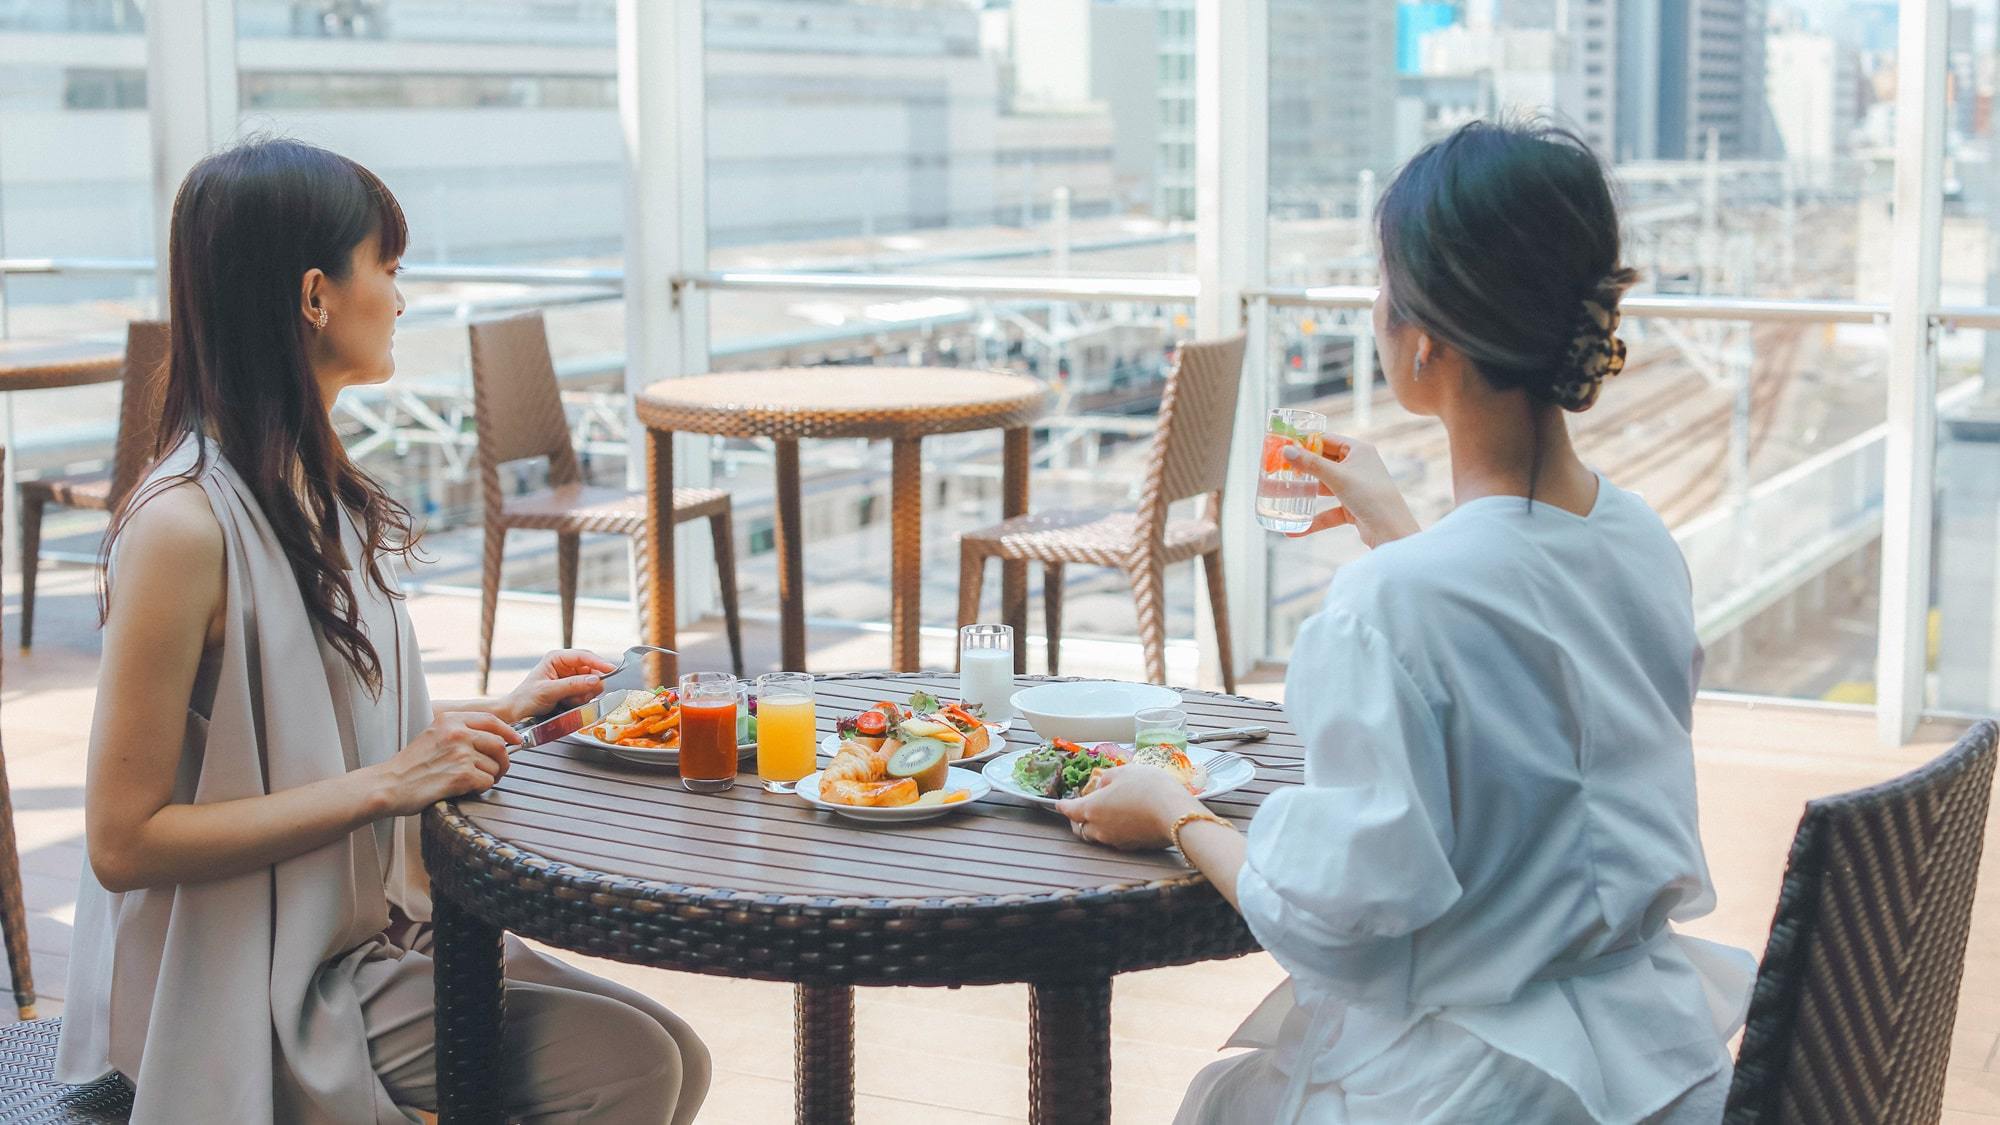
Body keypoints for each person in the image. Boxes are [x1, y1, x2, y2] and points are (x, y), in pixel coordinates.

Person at [1059, 120, 1755, 1124]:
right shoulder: (1636, 539)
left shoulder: (1388, 607)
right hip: (1652, 1061)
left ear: (1423, 337)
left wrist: (1171, 811)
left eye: (1380, 287)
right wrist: (1397, 527)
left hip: (1478, 1091)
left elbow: (1326, 924)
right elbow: (1528, 685)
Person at [55, 138, 710, 1124]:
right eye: (388, 269)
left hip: (361, 927)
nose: (401, 299)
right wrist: (388, 785)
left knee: (675, 1056)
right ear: (316, 295)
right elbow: (122, 840)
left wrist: (502, 709)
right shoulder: (182, 523)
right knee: (632, 1067)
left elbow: (297, 738)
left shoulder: (320, 492)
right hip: (250, 974)